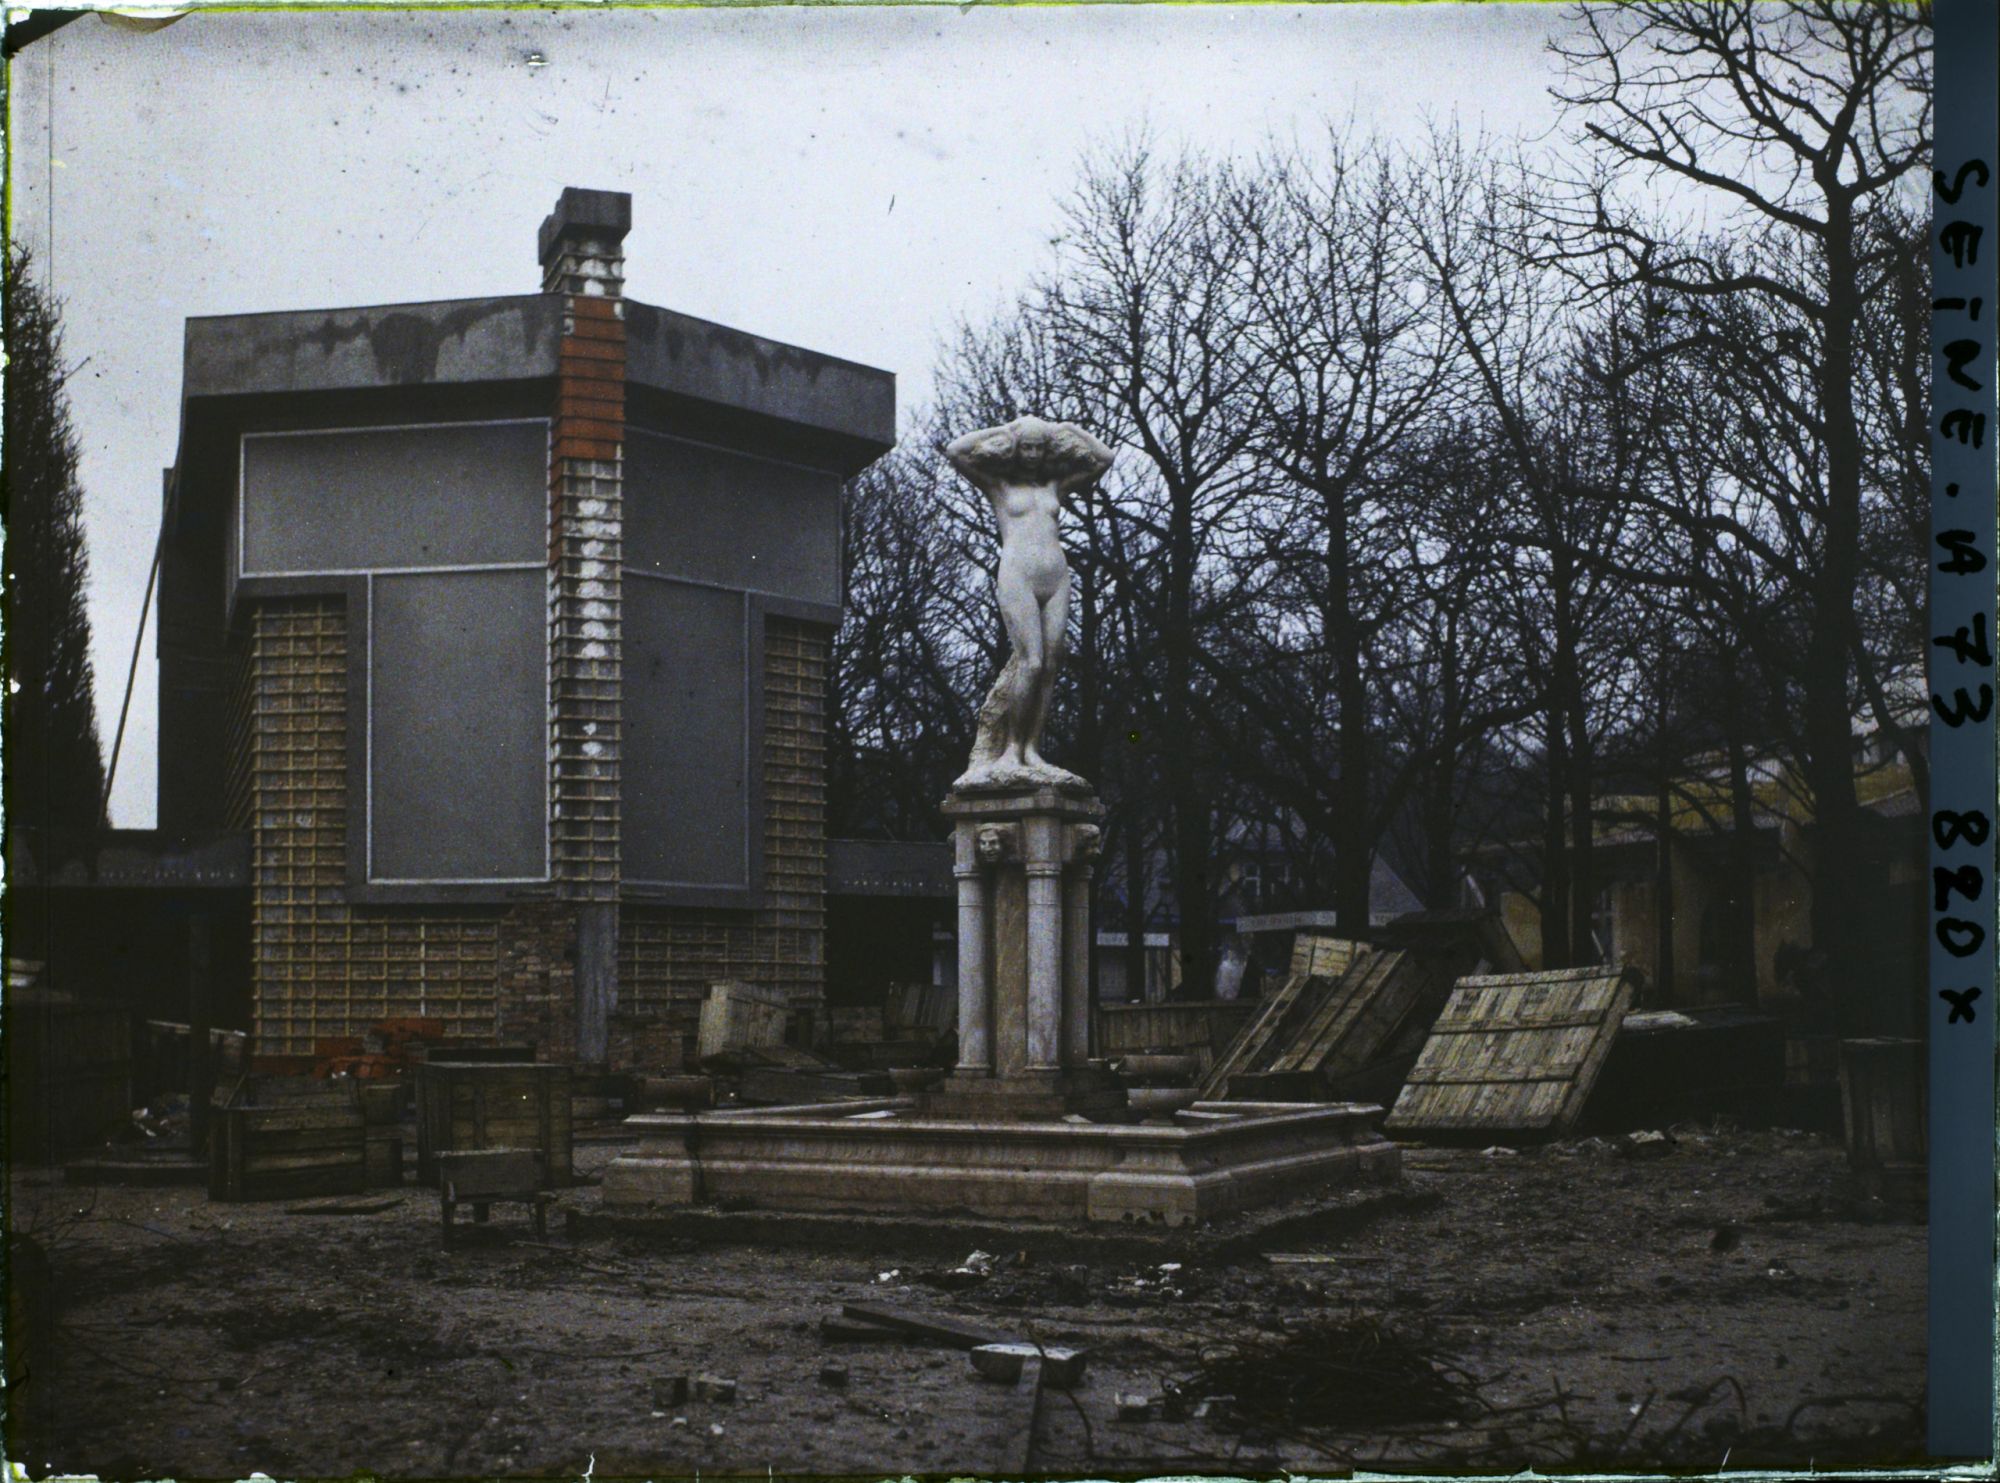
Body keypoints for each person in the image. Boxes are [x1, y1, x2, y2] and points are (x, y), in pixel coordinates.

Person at [944, 415, 1114, 788]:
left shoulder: (1056, 484)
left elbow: (1104, 459)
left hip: (1056, 575)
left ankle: (1033, 750)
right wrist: (1006, 431)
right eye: (1027, 447)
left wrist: (1067, 429)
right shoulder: (999, 485)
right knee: (1031, 662)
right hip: (1018, 573)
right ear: (1016, 449)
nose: (1034, 454)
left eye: (1040, 447)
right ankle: (1012, 750)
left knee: (1053, 664)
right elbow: (956, 451)